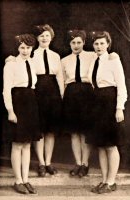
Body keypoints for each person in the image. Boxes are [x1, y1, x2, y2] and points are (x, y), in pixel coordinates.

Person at [87, 31, 127, 193]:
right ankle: (104, 180)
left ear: (108, 44)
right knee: (101, 145)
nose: (99, 46)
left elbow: (121, 86)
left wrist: (119, 108)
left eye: (102, 43)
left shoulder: (114, 60)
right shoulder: (93, 60)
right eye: (96, 44)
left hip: (110, 102)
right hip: (97, 102)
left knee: (110, 145)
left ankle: (111, 182)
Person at [3, 34, 41, 194]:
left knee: (27, 144)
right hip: (18, 104)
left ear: (32, 48)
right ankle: (17, 180)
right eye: (22, 47)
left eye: (28, 47)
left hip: (30, 103)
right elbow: (6, 90)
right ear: (17, 48)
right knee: (18, 144)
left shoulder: (32, 62)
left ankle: (26, 179)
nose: (25, 51)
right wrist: (10, 111)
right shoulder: (10, 64)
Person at [61, 30, 94, 177]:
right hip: (71, 94)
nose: (76, 45)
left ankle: (85, 164)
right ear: (69, 43)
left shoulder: (93, 56)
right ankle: (78, 163)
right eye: (73, 42)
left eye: (79, 42)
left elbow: (107, 59)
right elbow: (62, 82)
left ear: (84, 43)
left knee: (85, 131)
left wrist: (115, 55)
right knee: (74, 132)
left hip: (88, 93)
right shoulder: (64, 60)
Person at [33, 24, 64, 176]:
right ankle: (41, 164)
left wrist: (62, 96)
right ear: (37, 38)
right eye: (41, 36)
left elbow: (60, 77)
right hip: (37, 91)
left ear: (51, 37)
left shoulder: (55, 56)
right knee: (39, 129)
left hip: (53, 93)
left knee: (50, 130)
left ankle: (49, 162)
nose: (44, 38)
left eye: (47, 35)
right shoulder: (31, 54)